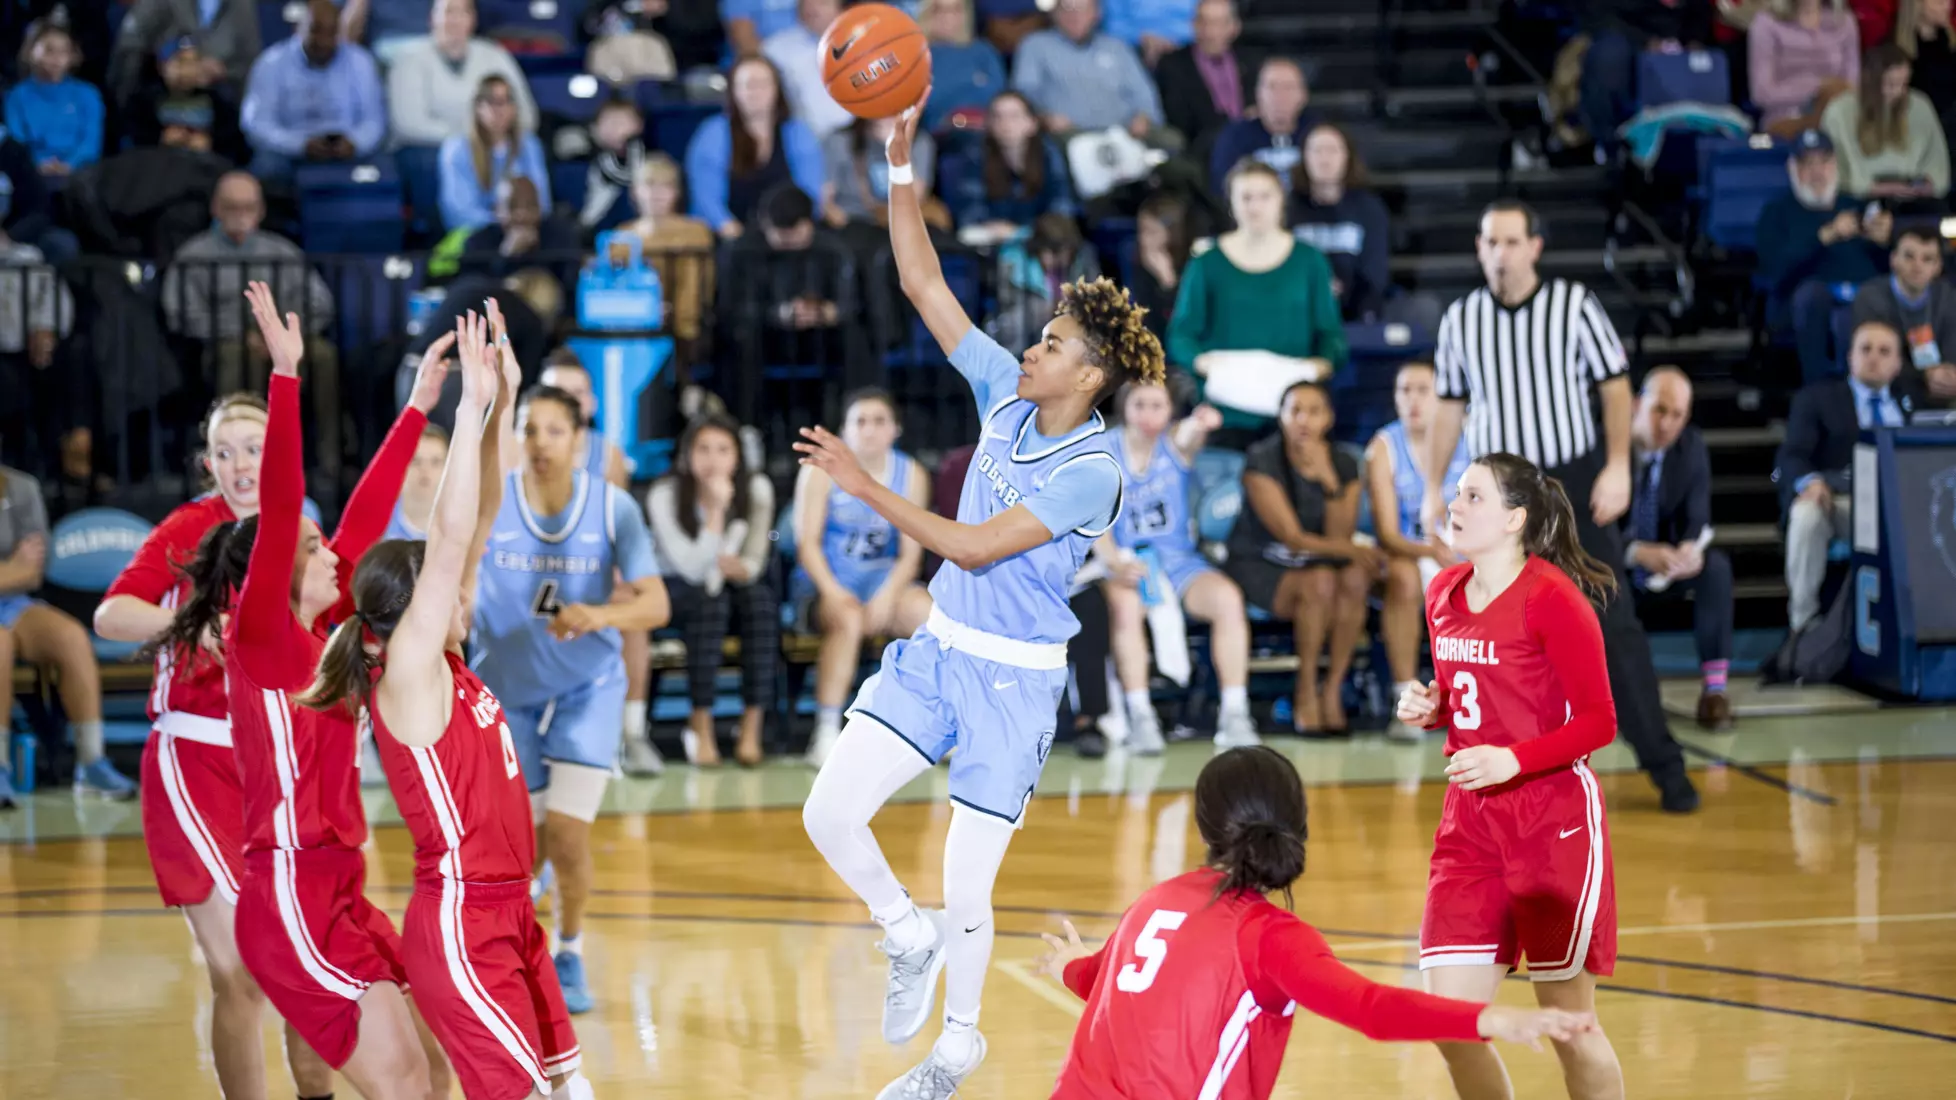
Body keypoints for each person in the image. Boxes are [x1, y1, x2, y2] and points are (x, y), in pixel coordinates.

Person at [794, 90, 1158, 1100]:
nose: (1032, 348)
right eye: (1036, 339)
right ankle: (901, 933)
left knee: (967, 876)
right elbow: (920, 277)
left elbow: (971, 542)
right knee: (829, 811)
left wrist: (867, 486)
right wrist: (901, 165)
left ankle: (956, 1048)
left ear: (1089, 376)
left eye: (1051, 344)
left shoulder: (1096, 469)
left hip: (1015, 681)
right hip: (941, 648)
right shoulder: (1002, 387)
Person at [148, 282, 453, 1099]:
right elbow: (284, 505)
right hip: (287, 888)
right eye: (315, 549)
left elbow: (365, 510)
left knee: (435, 1055)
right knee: (400, 1080)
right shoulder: (267, 642)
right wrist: (284, 378)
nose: (335, 556)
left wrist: (419, 407)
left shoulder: (324, 634)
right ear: (277, 568)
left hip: (340, 883)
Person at [300, 310, 595, 1100]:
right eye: (444, 583)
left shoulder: (451, 659)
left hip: (511, 917)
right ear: (413, 608)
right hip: (463, 926)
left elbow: (484, 516)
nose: (465, 585)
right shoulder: (409, 673)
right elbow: (456, 532)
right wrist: (466, 411)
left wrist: (504, 400)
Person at [1038, 745, 1598, 1099]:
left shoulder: (1155, 900)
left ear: (1205, 829)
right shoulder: (1270, 937)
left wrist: (1069, 966)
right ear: (1299, 827)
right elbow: (1372, 1009)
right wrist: (1489, 1019)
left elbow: (1103, 984)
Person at [94, 391, 344, 1097]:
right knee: (239, 972)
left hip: (277, 766)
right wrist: (192, 628)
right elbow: (111, 614)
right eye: (225, 451)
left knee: (303, 957)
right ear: (210, 464)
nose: (240, 464)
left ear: (279, 457)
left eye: (255, 449)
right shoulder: (190, 529)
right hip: (195, 762)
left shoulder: (302, 534)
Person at [1422, 199, 1699, 814]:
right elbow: (1446, 408)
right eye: (1491, 242)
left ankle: (1666, 765)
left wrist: (1619, 465)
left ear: (1535, 247)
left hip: (1568, 485)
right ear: (1479, 247)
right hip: (1497, 493)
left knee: (1614, 621)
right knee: (1495, 634)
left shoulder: (1573, 306)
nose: (1501, 253)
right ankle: (1503, 776)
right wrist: (1432, 486)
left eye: (1513, 241)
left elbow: (1616, 388)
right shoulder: (1461, 319)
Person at [1396, 452, 1628, 1100]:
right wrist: (1431, 706)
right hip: (1469, 824)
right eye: (1457, 494)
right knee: (1452, 1024)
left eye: (1473, 497)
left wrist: (1514, 760)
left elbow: (1600, 722)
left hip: (1551, 822)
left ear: (1514, 519)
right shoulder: (1442, 591)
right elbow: (1463, 691)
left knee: (1569, 1026)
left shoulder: (1554, 598)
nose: (1455, 506)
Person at [472, 380, 671, 1015]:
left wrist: (602, 614)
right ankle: (518, 939)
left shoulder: (614, 509)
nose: (539, 443)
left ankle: (570, 948)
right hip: (507, 692)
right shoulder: (489, 503)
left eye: (554, 431)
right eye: (527, 429)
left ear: (579, 442)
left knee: (567, 834)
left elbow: (656, 604)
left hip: (588, 689)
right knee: (523, 841)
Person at [1099, 381, 1257, 751]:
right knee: (1124, 609)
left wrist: (1201, 421)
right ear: (1125, 408)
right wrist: (1112, 562)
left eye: (1158, 405)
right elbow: (1092, 517)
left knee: (1229, 600)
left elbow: (1190, 435)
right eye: (1141, 404)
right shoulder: (1103, 450)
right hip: (1127, 562)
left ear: (1170, 410)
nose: (1149, 414)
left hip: (1179, 562)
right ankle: (1141, 716)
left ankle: (1235, 712)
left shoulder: (1175, 445)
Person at [161, 172, 342, 481]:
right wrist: (239, 333)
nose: (240, 216)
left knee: (324, 356)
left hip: (286, 340)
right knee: (237, 358)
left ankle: (329, 465)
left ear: (261, 211)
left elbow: (321, 304)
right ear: (215, 208)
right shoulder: (194, 255)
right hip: (222, 343)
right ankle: (237, 466)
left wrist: (278, 334)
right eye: (231, 207)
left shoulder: (283, 252)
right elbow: (180, 312)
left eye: (247, 207)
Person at [1224, 380, 1379, 735]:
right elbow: (1292, 539)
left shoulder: (1343, 461)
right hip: (1260, 561)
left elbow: (1338, 536)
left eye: (1314, 411)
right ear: (1280, 417)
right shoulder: (1262, 459)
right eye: (1294, 410)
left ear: (1329, 418)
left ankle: (1333, 689)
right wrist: (1358, 549)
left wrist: (1329, 481)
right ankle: (1305, 688)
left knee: (1355, 577)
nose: (1303, 420)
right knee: (1323, 580)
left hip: (1319, 560)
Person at [792, 389, 934, 767]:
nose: (869, 430)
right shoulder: (819, 469)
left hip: (884, 581)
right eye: (860, 421)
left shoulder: (911, 473)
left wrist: (888, 596)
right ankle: (824, 731)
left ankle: (931, 727)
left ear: (895, 429)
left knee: (933, 619)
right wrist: (835, 593)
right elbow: (807, 545)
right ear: (844, 430)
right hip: (824, 581)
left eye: (879, 421)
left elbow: (910, 553)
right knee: (848, 618)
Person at [1167, 159, 1345, 432]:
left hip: (1294, 418)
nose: (1255, 206)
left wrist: (1322, 364)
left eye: (1264, 196)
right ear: (1232, 203)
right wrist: (1201, 362)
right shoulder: (1206, 263)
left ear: (1280, 200)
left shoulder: (1310, 261)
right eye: (1246, 197)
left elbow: (1331, 334)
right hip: (1223, 414)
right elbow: (1181, 333)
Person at [644, 414, 779, 767]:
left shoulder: (757, 489)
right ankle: (699, 723)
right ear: (687, 454)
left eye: (723, 450)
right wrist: (717, 512)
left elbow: (755, 558)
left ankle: (751, 725)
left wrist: (743, 569)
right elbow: (690, 569)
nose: (713, 459)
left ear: (738, 456)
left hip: (727, 582)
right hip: (674, 587)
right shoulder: (664, 493)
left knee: (760, 602)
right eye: (703, 449)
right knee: (709, 603)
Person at [1776, 320, 1920, 635]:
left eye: (1884, 352)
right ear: (1850, 357)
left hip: (1905, 509)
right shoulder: (1818, 398)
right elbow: (1791, 455)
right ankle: (1804, 627)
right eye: (1865, 349)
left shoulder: (1913, 404)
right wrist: (1811, 482)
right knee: (1806, 515)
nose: (1873, 357)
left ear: (1897, 364)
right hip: (1843, 503)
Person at [0, 464, 127, 802]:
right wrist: (10, 568)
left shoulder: (20, 486)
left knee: (71, 637)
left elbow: (31, 571)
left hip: (13, 603)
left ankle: (92, 763)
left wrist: (17, 571)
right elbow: (18, 567)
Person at [1623, 367, 1736, 732]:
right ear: (1638, 404)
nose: (1667, 424)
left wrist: (1690, 548)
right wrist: (1637, 551)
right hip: (1615, 566)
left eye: (1678, 415)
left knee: (1715, 568)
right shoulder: (1606, 442)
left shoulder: (1690, 447)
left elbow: (1698, 515)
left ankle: (1715, 691)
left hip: (1666, 567)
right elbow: (1586, 526)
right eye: (1660, 410)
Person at [1364, 361, 1469, 741]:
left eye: (1423, 389)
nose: (1413, 399)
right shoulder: (1383, 447)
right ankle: (1405, 701)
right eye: (1404, 390)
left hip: (1470, 550)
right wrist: (1431, 550)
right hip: (1413, 552)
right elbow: (1388, 534)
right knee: (1404, 579)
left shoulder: (1472, 433)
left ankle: (1491, 700)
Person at [239, 0, 385, 185]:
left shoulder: (361, 62)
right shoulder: (271, 63)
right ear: (299, 29)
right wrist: (299, 145)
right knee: (267, 166)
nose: (323, 41)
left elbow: (374, 121)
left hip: (345, 148)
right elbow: (257, 124)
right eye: (316, 30)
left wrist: (355, 143)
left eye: (331, 32)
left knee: (381, 165)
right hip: (289, 151)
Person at [683, 55, 823, 239]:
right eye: (748, 85)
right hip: (731, 236)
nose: (755, 92)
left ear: (777, 89)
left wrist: (798, 228)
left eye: (763, 84)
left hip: (790, 235)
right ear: (734, 91)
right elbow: (706, 198)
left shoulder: (797, 132)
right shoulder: (713, 133)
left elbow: (810, 190)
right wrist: (734, 233)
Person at [386, 0, 537, 149]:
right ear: (432, 18)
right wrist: (469, 137)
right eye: (448, 11)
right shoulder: (409, 58)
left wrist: (496, 136)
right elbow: (408, 125)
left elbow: (527, 115)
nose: (455, 20)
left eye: (463, 12)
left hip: (492, 146)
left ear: (473, 19)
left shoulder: (495, 55)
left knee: (528, 147)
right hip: (430, 150)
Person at [1011, 0, 1167, 142]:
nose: (1074, 15)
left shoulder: (1117, 47)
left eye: (1083, 8)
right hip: (1067, 135)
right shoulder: (1035, 46)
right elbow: (1024, 94)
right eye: (1066, 8)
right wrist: (1045, 118)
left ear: (1097, 13)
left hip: (1123, 134)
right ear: (1054, 13)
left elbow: (1143, 92)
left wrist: (1143, 117)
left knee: (1171, 141)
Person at [1820, 43, 1952, 205]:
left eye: (1904, 84)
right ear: (1870, 81)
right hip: (1860, 198)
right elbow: (1836, 170)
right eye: (1890, 84)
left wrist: (1927, 185)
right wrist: (1882, 188)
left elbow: (1936, 162)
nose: (1898, 92)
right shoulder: (1839, 111)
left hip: (1912, 196)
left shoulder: (1919, 104)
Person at [1290, 122, 1393, 323]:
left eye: (1332, 150)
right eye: (1317, 150)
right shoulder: (1287, 208)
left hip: (1354, 310)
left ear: (1347, 156)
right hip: (1297, 308)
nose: (1324, 159)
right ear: (1304, 157)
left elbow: (1375, 272)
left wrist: (1343, 288)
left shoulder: (1370, 209)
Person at [943, 90, 1077, 238]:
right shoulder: (976, 154)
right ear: (989, 123)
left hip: (1039, 239)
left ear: (1032, 123)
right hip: (992, 237)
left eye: (1014, 116)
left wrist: (1021, 232)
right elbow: (969, 211)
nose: (1005, 124)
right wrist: (996, 228)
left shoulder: (1048, 154)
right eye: (997, 117)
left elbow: (1062, 207)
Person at [1850, 224, 1956, 406]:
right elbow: (1872, 358)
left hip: (1940, 389)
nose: (1917, 266)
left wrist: (1949, 373)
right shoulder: (1870, 297)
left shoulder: (1947, 297)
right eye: (1909, 256)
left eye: (1927, 259)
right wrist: (1925, 376)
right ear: (1893, 260)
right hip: (1890, 388)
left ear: (1938, 267)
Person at [619, 151, 715, 348]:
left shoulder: (697, 231)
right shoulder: (621, 236)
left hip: (687, 325)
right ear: (635, 191)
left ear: (677, 192)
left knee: (690, 257)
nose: (657, 194)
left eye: (666, 186)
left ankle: (684, 337)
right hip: (633, 326)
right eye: (650, 184)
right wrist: (647, 309)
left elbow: (704, 285)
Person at [439, 74, 550, 234]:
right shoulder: (456, 149)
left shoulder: (529, 145)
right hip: (476, 234)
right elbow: (458, 213)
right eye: (492, 102)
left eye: (506, 101)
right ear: (477, 107)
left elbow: (542, 201)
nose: (500, 110)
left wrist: (521, 224)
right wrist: (502, 224)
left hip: (526, 230)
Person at [5, 18, 103, 178]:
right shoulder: (17, 96)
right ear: (31, 51)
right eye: (49, 50)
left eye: (64, 51)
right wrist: (38, 164)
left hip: (80, 175)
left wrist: (69, 165)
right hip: (31, 175)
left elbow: (90, 144)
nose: (57, 58)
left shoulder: (88, 94)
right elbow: (17, 143)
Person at [1748, 0, 1858, 136]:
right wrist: (1818, 87)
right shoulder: (1766, 22)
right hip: (1786, 119)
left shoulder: (1844, 21)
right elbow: (1761, 94)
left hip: (1836, 116)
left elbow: (1852, 85)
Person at [1207, 57, 1317, 194]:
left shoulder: (1318, 133)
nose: (1280, 95)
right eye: (1272, 87)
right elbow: (1223, 188)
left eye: (1289, 87)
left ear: (1303, 95)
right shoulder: (1234, 137)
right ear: (1258, 94)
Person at [761, 0, 851, 140]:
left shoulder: (865, 42)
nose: (812, 9)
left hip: (858, 138)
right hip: (802, 141)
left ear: (841, 8)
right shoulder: (774, 49)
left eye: (822, 3)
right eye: (805, 3)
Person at [916, 0, 1008, 133]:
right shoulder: (918, 56)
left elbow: (1000, 98)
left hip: (988, 135)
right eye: (939, 9)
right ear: (926, 13)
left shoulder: (984, 51)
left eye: (956, 9)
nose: (948, 16)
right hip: (936, 138)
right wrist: (973, 82)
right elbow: (924, 105)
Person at [1127, 193, 1190, 344]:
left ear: (1172, 233)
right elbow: (1146, 321)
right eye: (1142, 231)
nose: (1144, 239)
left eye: (1152, 232)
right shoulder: (1140, 261)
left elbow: (1186, 322)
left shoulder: (1193, 262)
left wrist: (1168, 281)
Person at [385, 424, 452, 541]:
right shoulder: (376, 524)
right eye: (415, 461)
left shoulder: (471, 521)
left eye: (435, 462)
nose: (425, 469)